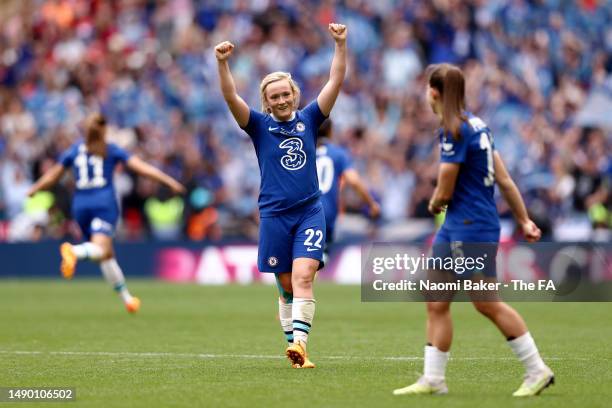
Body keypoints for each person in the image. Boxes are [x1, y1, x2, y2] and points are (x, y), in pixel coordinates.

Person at [393, 64, 554, 397]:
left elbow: (445, 186)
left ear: (434, 93)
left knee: (486, 303)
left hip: (471, 225)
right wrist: (523, 219)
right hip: (459, 224)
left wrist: (434, 201)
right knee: (436, 299)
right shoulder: (477, 126)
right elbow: (504, 179)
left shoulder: (453, 131)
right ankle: (433, 379)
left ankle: (537, 369)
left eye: (427, 88)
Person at [214, 22, 347, 368]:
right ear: (267, 102)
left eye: (286, 93)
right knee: (286, 286)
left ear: (295, 94)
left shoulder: (310, 118)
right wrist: (222, 63)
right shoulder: (258, 126)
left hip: (309, 212)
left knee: (304, 277)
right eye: (274, 96)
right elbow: (230, 97)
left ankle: (301, 345)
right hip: (273, 216)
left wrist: (340, 44)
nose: (282, 99)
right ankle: (294, 348)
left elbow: (335, 81)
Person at [28, 113, 185, 313]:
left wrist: (34, 188)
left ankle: (128, 299)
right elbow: (142, 169)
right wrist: (169, 181)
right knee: (99, 250)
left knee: (106, 255)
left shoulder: (74, 150)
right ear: (103, 131)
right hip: (103, 204)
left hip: (80, 205)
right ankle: (73, 251)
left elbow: (52, 175)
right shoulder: (110, 150)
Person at [316, 118, 379, 262]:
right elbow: (354, 181)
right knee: (318, 257)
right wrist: (371, 203)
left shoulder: (303, 152)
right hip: (327, 212)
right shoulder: (338, 154)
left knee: (308, 257)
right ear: (331, 132)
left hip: (304, 211)